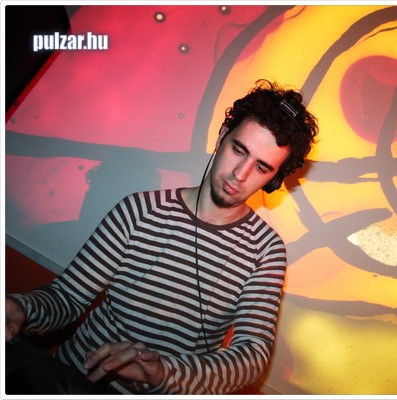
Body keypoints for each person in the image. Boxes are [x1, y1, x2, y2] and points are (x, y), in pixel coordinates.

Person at [5, 79, 319, 394]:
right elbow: (68, 297)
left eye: (261, 167)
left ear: (273, 180)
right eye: (239, 150)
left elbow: (251, 356)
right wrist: (22, 309)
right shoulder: (139, 209)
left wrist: (165, 372)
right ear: (222, 135)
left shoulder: (265, 251)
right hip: (70, 379)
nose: (240, 174)